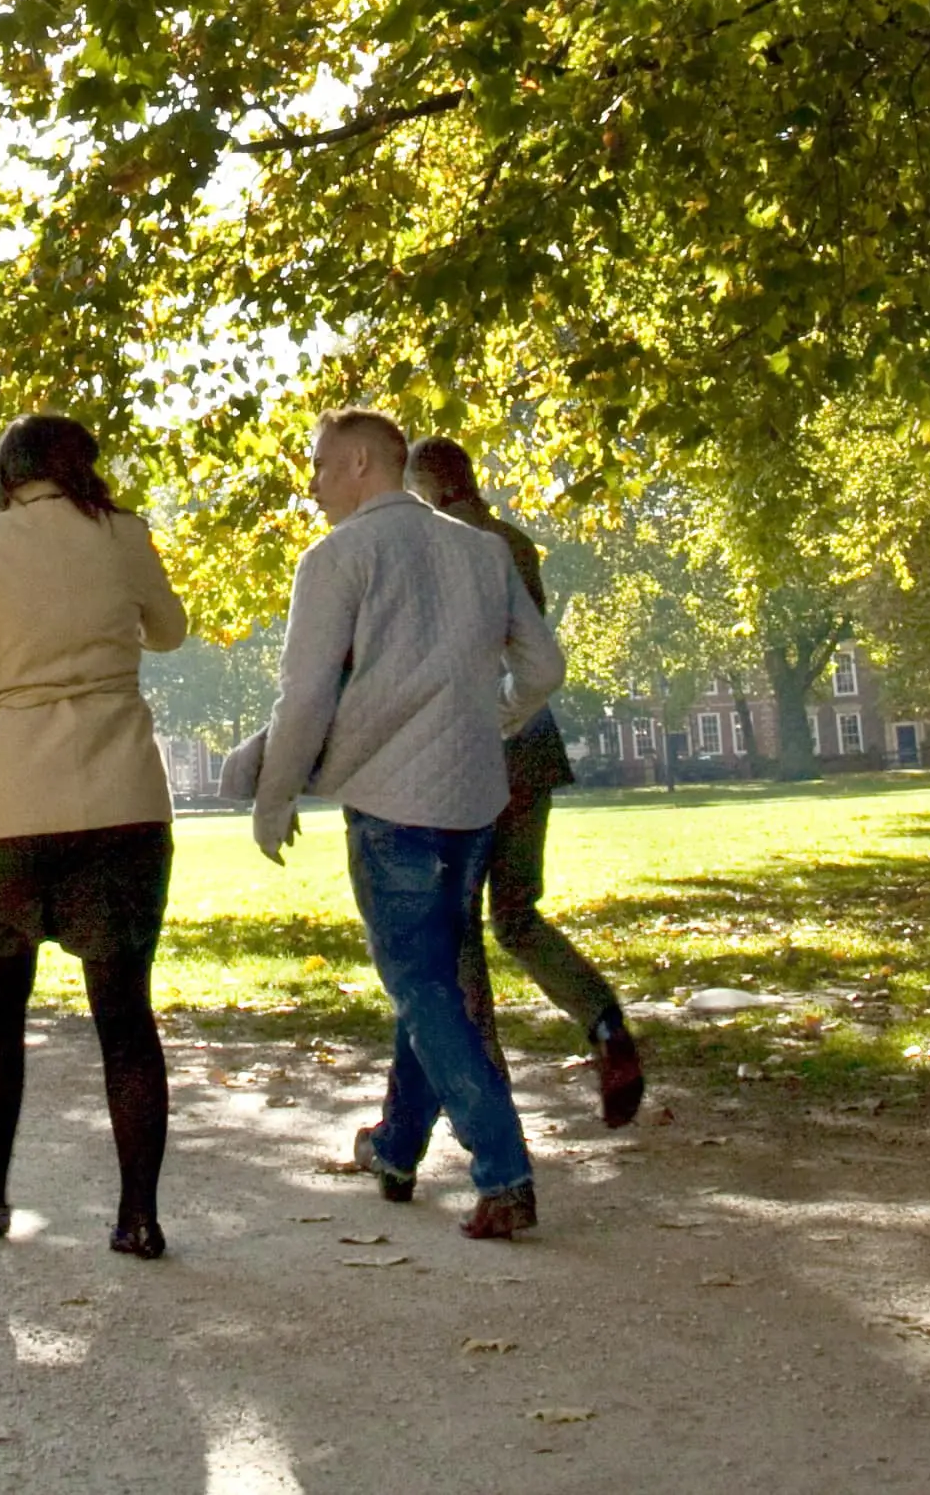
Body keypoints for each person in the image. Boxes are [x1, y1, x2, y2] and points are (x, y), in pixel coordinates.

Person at [253, 407, 562, 1240]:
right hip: (471, 800)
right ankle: (394, 1146)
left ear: (359, 463)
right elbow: (543, 667)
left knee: (420, 983)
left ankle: (502, 1172)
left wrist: (274, 797)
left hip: (390, 801)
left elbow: (306, 693)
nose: (311, 482)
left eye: (319, 464)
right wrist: (493, 716)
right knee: (426, 978)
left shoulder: (335, 558)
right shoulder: (481, 551)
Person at [0, 413, 191, 1259]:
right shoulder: (123, 534)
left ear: (6, 473)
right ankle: (138, 1217)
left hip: (13, 801)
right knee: (124, 1015)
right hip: (122, 795)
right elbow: (168, 631)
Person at [409, 434, 647, 1128]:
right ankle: (603, 1024)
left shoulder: (438, 551)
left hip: (469, 752)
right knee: (514, 914)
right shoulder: (513, 542)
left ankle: (481, 1098)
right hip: (532, 745)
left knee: (453, 930)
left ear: (427, 483)